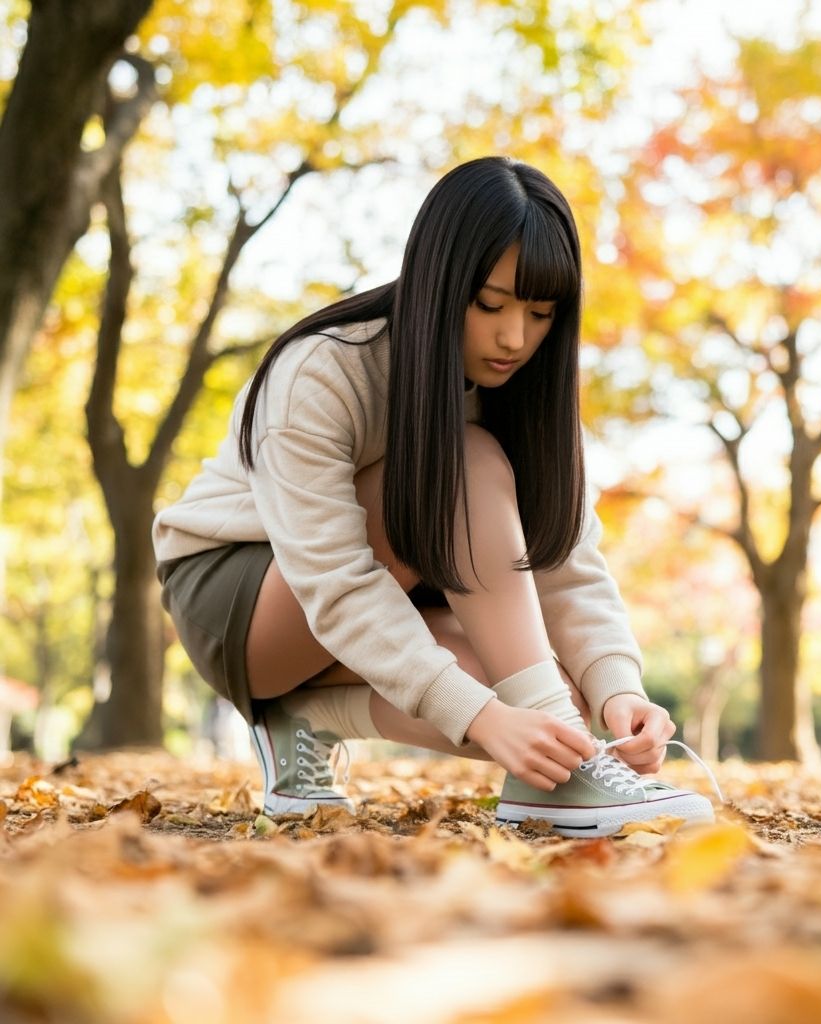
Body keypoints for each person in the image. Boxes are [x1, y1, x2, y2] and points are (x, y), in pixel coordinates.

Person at [153, 156, 722, 837]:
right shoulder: (325, 370)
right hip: (245, 599)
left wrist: (617, 692)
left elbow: (565, 565)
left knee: (539, 701)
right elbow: (333, 581)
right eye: (491, 305)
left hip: (384, 585)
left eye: (539, 314)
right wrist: (483, 716)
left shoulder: (528, 396)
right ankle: (571, 777)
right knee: (466, 465)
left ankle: (304, 717)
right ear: (440, 281)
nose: (515, 337)